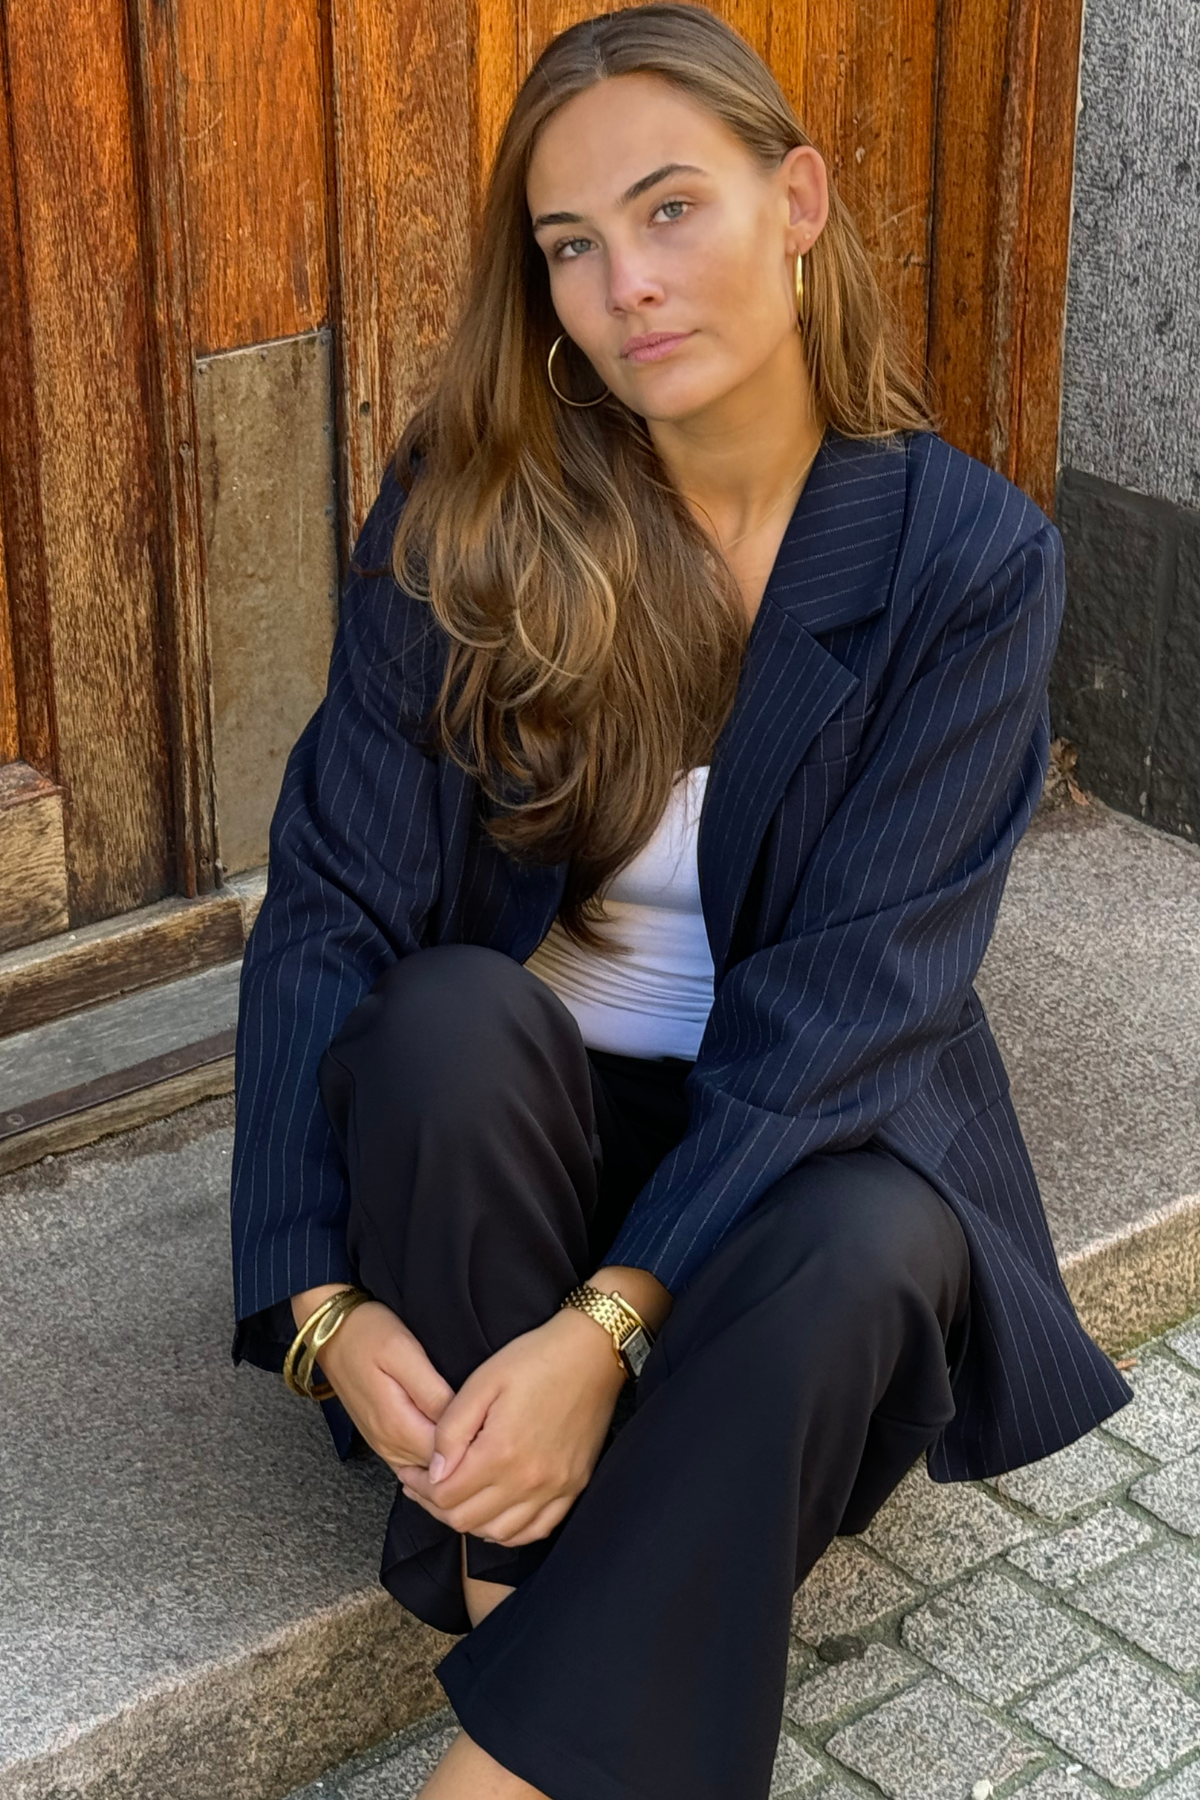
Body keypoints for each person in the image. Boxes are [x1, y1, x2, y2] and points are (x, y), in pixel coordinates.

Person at [227, 7, 1132, 1797]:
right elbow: (330, 902)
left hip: (799, 1152)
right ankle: (544, 1611)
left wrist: (608, 1327)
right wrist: (318, 1298)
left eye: (669, 210)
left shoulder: (967, 561)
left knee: (872, 1246)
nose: (625, 284)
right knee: (443, 1021)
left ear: (796, 202)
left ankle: (504, 1742)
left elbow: (852, 1009)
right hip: (511, 1154)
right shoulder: (473, 507)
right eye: (570, 244)